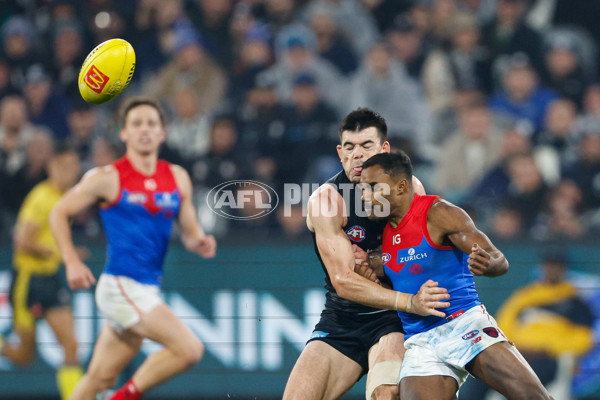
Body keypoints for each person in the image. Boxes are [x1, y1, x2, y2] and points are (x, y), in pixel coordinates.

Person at [49, 97, 217, 400]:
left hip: (145, 289)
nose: (144, 129)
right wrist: (71, 260)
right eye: (136, 123)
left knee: (99, 377)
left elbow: (190, 232)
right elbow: (58, 212)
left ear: (162, 133)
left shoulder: (177, 177)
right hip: (121, 286)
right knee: (190, 349)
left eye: (151, 123)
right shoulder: (107, 177)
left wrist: (199, 242)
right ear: (123, 133)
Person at [283, 108, 451, 400]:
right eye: (349, 147)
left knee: (386, 394)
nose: (357, 155)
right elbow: (344, 281)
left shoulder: (409, 190)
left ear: (384, 149)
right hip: (342, 319)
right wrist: (403, 290)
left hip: (394, 319)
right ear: (339, 152)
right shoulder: (326, 200)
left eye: (366, 146)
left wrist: (378, 261)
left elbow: (422, 260)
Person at [359, 151, 553, 400]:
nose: (364, 196)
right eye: (362, 189)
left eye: (372, 187)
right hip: (421, 342)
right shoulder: (382, 237)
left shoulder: (438, 213)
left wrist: (486, 264)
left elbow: (498, 259)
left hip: (464, 324)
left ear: (401, 186)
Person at [1, 146, 83, 400]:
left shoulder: (68, 197)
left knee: (71, 345)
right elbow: (22, 241)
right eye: (63, 166)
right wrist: (58, 252)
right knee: (24, 357)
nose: (68, 172)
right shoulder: (41, 197)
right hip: (29, 280)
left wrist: (67, 250)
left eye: (72, 166)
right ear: (51, 168)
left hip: (49, 279)